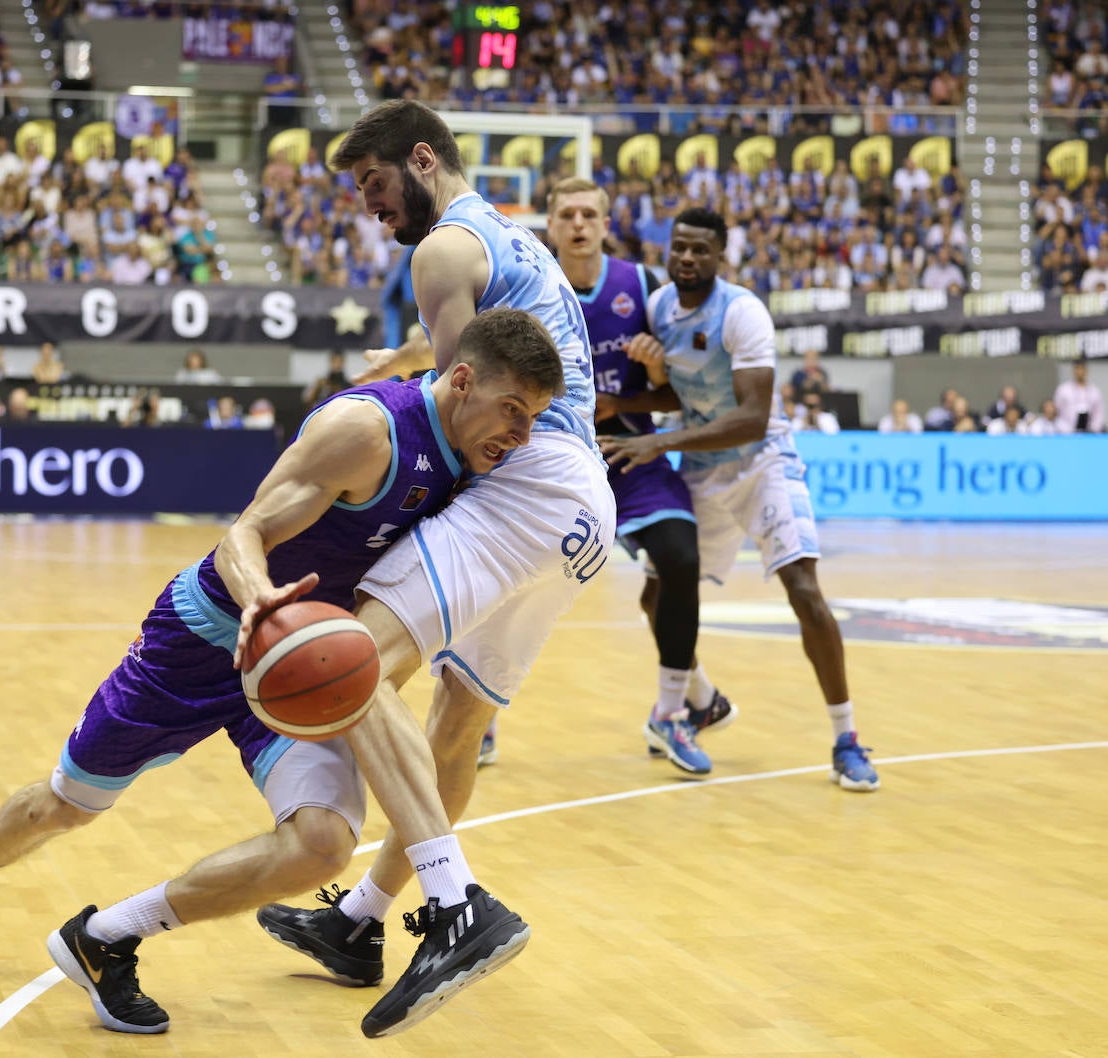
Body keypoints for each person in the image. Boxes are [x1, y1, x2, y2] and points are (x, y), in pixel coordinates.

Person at [0, 310, 563, 1038]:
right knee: (63, 806)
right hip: (202, 639)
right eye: (512, 411)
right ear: (461, 381)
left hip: (301, 664)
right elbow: (244, 533)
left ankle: (108, 937)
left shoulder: (482, 461)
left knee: (323, 844)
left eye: (534, 419)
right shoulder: (368, 430)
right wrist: (259, 595)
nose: (521, 435)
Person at [255, 100, 619, 1002]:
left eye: (376, 185)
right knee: (461, 716)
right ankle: (360, 922)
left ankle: (457, 905)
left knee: (349, 667)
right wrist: (408, 354)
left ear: (422, 158)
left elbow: (452, 421)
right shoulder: (507, 236)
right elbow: (462, 362)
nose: (373, 208)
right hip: (583, 510)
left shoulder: (440, 251)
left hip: (527, 484)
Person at [597, 206, 880, 793]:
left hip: (764, 461)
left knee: (804, 590)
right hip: (704, 467)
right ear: (668, 250)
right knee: (659, 593)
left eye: (701, 249)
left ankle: (846, 738)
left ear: (720, 255)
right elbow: (678, 393)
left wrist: (659, 441)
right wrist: (623, 408)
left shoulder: (742, 311)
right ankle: (696, 699)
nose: (688, 258)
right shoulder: (659, 310)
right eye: (680, 247)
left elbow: (751, 418)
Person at [537, 176, 736, 775]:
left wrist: (650, 379)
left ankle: (674, 712)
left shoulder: (644, 286)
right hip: (551, 462)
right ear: (550, 226)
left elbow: (676, 395)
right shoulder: (529, 287)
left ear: (605, 223)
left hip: (627, 454)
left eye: (588, 214)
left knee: (679, 557)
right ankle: (478, 717)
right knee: (503, 580)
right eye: (566, 214)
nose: (577, 224)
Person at [1054, 357, 1104, 433]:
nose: (1079, 372)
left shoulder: (1094, 391)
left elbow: (1098, 414)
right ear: (1073, 371)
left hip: (1089, 434)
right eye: (1077, 368)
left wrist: (1093, 430)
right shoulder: (1063, 390)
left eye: (1082, 368)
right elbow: (1056, 413)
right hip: (1067, 434)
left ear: (1086, 371)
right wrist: (1066, 430)